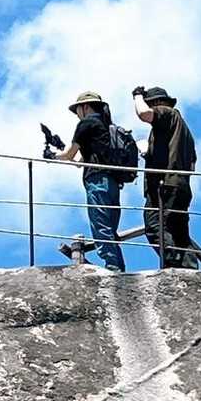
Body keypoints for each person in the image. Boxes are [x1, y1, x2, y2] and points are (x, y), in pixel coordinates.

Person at [47, 91, 129, 272]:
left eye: (77, 110)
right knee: (109, 228)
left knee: (101, 227)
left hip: (97, 180)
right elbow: (80, 162)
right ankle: (118, 267)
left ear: (85, 107)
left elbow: (70, 154)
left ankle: (113, 268)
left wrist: (51, 156)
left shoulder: (86, 123)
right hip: (113, 183)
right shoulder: (105, 125)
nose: (77, 114)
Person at [132, 86, 197, 269]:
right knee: (178, 232)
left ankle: (176, 266)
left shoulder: (167, 113)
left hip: (165, 185)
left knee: (155, 226)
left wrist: (137, 96)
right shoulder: (184, 131)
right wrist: (149, 154)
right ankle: (189, 270)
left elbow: (144, 114)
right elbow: (192, 164)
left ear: (157, 103)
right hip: (181, 185)